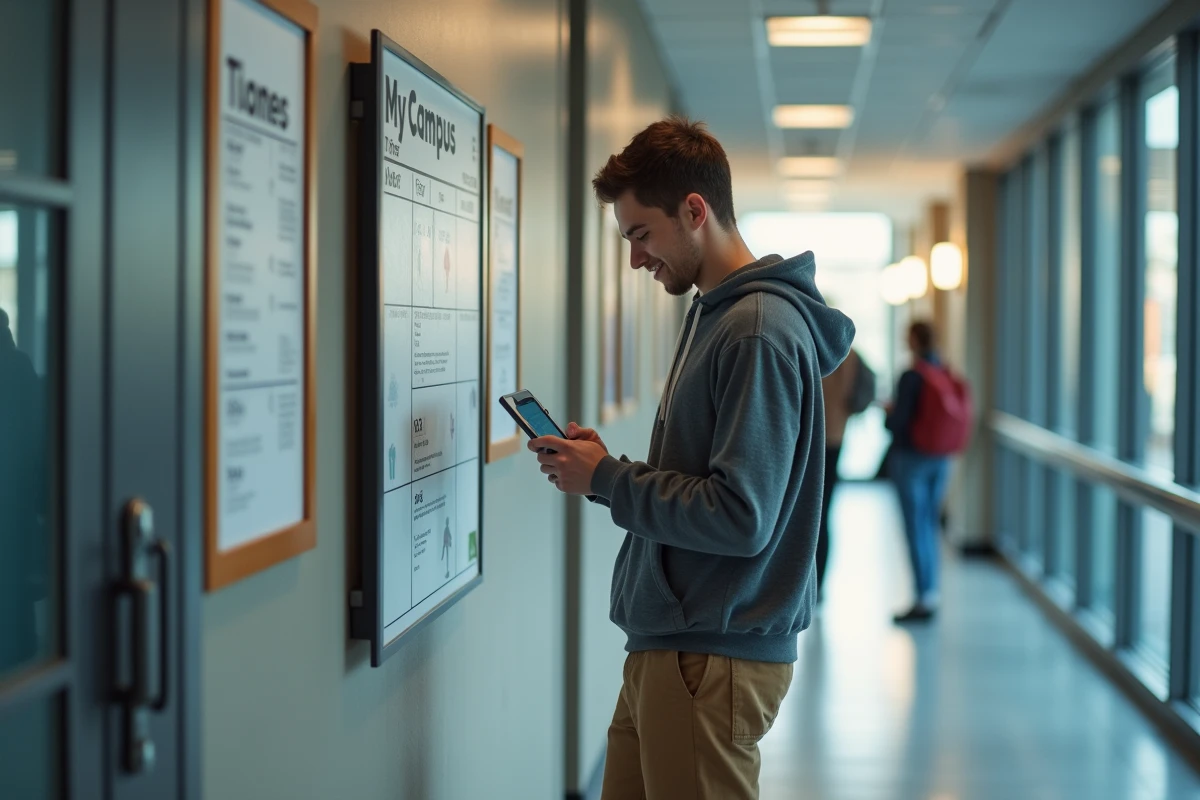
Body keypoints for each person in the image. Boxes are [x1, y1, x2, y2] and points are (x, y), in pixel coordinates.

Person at [525, 117, 854, 799]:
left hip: (709, 656)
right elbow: (706, 482)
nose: (637, 258)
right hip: (675, 644)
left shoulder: (755, 329)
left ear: (694, 211)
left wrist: (610, 479)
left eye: (641, 234)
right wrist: (602, 474)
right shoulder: (716, 314)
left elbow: (740, 516)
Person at [885, 321, 952, 624]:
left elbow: (898, 423)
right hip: (939, 457)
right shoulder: (943, 371)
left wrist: (888, 412)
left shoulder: (911, 376)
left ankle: (922, 597)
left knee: (914, 527)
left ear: (914, 339)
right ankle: (931, 592)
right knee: (929, 525)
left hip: (911, 458)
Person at [817, 348, 860, 601]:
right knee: (822, 513)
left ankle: (814, 582)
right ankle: (817, 583)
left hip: (819, 436)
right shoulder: (845, 350)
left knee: (817, 514)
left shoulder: (817, 345)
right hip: (835, 434)